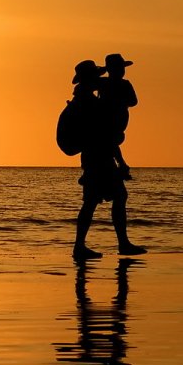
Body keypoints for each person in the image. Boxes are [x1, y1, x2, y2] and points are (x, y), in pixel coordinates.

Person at [71, 59, 144, 261]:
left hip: (96, 157)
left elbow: (108, 136)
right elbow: (106, 136)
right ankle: (120, 244)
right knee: (115, 197)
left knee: (94, 201)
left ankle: (82, 246)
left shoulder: (87, 99)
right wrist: (121, 161)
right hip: (99, 158)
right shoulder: (93, 104)